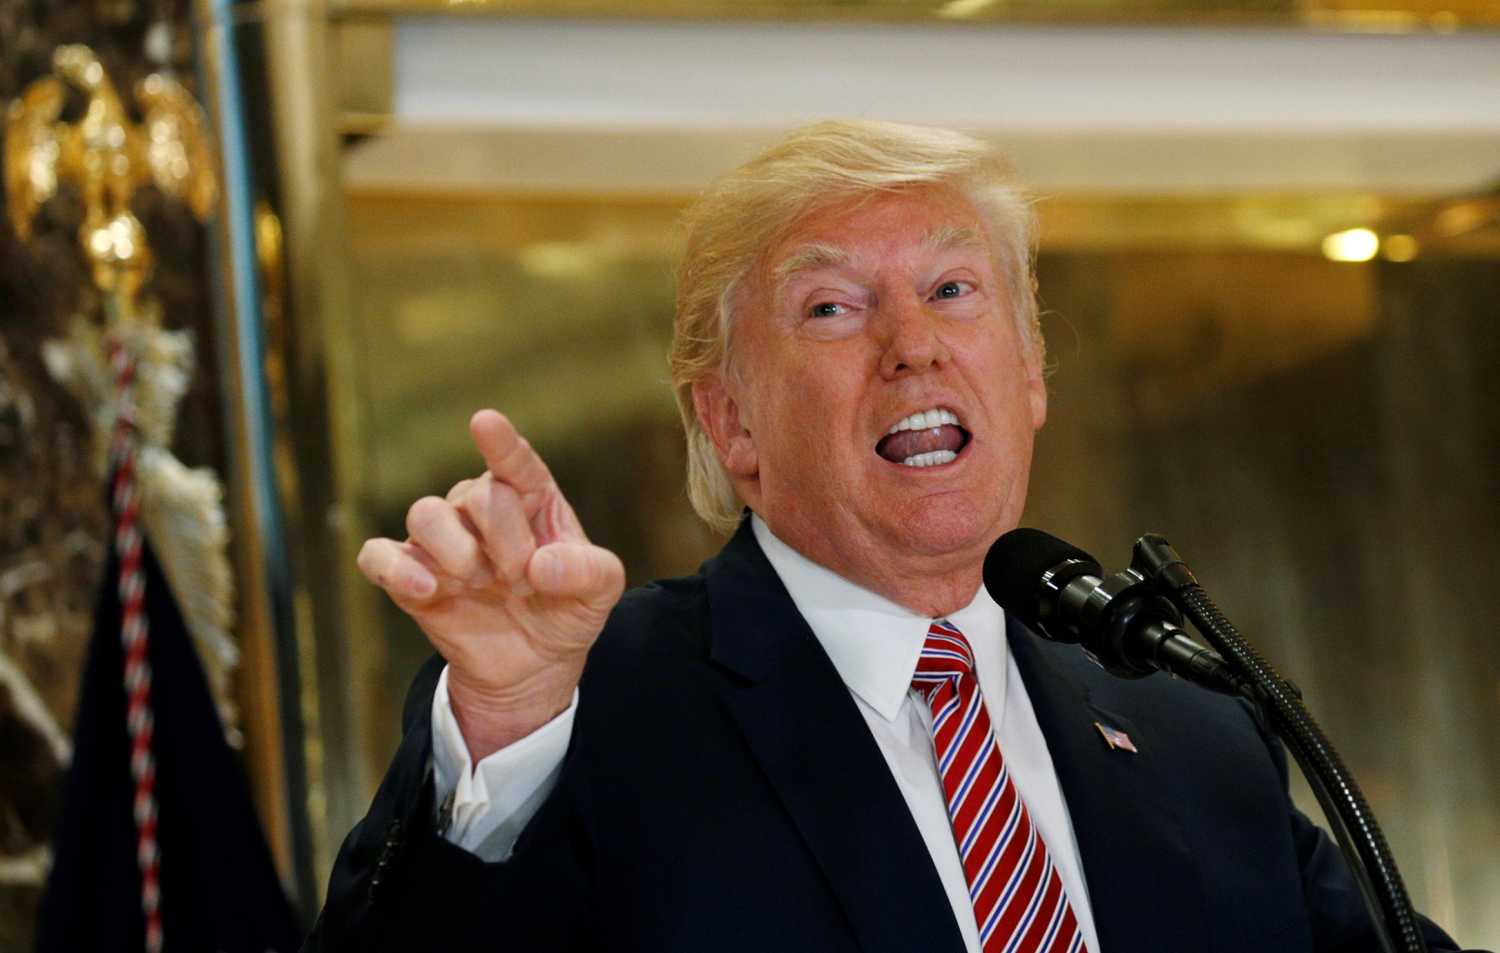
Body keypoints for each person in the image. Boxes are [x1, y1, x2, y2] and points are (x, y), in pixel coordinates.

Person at [304, 121, 1471, 953]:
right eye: (833, 306)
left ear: (1031, 374)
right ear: (732, 421)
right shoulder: (595, 703)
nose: (913, 344)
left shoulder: (1192, 726)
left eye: (954, 289)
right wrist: (509, 717)